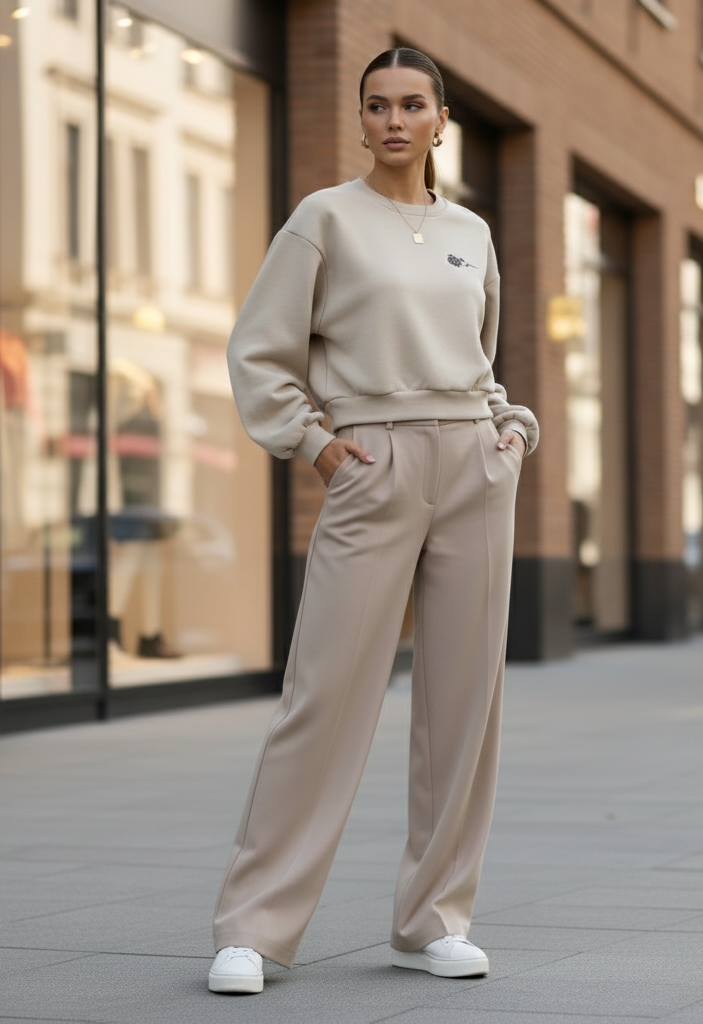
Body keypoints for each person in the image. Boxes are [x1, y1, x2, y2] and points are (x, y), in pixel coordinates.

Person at [206, 47, 539, 995]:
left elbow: (476, 359)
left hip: (476, 463)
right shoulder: (324, 219)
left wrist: (509, 435)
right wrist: (311, 444)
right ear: (361, 121)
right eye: (379, 106)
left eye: (414, 105)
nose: (395, 120)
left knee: (464, 700)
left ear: (441, 122)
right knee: (324, 695)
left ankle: (435, 918)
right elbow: (260, 351)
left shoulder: (472, 232)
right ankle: (252, 926)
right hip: (373, 460)